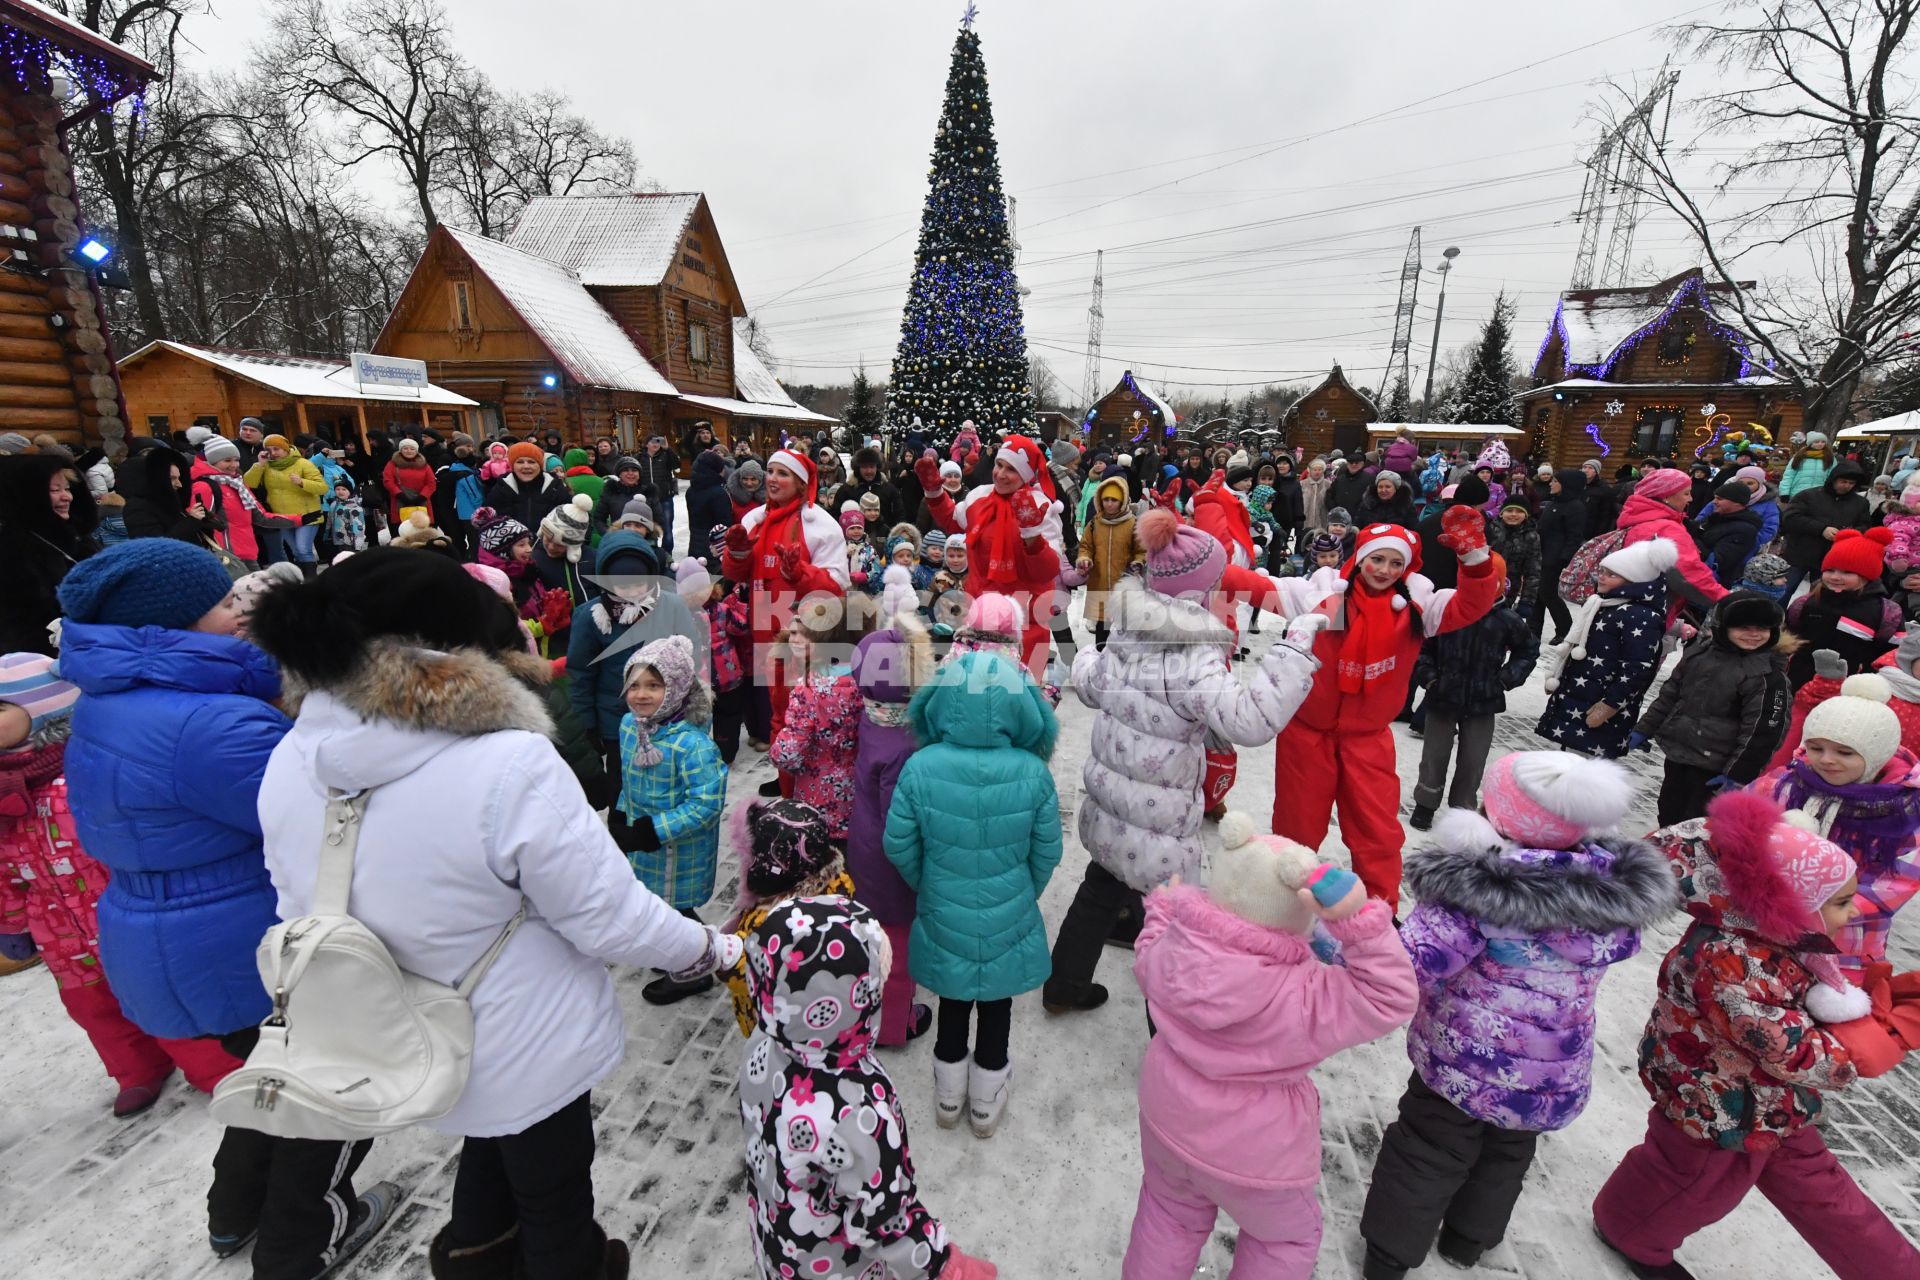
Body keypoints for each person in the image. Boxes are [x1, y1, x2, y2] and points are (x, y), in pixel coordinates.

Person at [247, 549, 736, 1280]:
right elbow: (608, 916)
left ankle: (475, 1259)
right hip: (523, 1039)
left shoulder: (292, 756)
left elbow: (294, 888)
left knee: (486, 1146)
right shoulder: (508, 763)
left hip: (404, 1030)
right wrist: (715, 950)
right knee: (553, 1194)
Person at [55, 539, 394, 1274]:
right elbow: (334, 815)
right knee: (325, 1094)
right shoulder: (209, 727)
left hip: (171, 936)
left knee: (272, 1079)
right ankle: (301, 1244)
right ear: (168, 626)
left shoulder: (117, 702)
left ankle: (235, 1212)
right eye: (222, 601)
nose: (241, 611)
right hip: (242, 945)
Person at [1362, 753, 1678, 1280]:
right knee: (1507, 1153)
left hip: (1462, 1065)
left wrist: (1361, 937)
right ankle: (1468, 1240)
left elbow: (1413, 962)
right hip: (1548, 1074)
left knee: (1427, 1150)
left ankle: (1390, 1254)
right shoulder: (1607, 893)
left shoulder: (1479, 892)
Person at [1592, 790, 1913, 1280]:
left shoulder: (1779, 941)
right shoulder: (1733, 964)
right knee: (1693, 1184)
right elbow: (1790, 1051)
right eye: (1843, 903)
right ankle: (1627, 1229)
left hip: (1767, 1102)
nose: (1853, 914)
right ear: (1795, 902)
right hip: (1718, 1106)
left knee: (1821, 1191)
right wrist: (1878, 1039)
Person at [1046, 514, 1324, 1013]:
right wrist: (1293, 648)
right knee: (1176, 925)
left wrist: (1088, 659)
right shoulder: (1193, 657)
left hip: (1112, 808)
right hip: (1160, 824)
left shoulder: (1129, 634)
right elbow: (1251, 720)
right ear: (1199, 592)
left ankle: (1063, 987)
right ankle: (1173, 1025)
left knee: (1098, 891)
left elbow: (1089, 679)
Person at [1123, 817, 1415, 1279]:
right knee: (1284, 1239)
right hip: (1257, 1152)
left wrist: (1164, 906)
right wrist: (1358, 925)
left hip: (1167, 1118)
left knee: (1168, 1215)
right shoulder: (1305, 993)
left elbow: (1148, 948)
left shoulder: (1174, 949)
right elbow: (1390, 996)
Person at [0, 652, 240, 1115]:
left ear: (44, 708)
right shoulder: (5, 793)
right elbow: (5, 870)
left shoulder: (83, 776)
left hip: (125, 918)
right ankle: (135, 1070)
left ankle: (214, 1069)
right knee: (95, 1010)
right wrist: (11, 923)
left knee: (162, 998)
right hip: (61, 935)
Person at [738, 896, 999, 1279]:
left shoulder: (761, 1045)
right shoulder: (858, 1110)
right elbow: (884, 1215)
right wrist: (944, 1265)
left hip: (779, 1237)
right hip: (839, 1264)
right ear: (857, 999)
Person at [1268, 512, 1500, 910]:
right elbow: (1255, 588)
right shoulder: (1330, 602)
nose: (1384, 570)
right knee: (1295, 826)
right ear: (1359, 558)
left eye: (1396, 563)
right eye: (1377, 559)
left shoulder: (1413, 608)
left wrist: (1474, 559)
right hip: (1307, 735)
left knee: (1376, 830)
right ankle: (1282, 900)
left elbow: (1473, 604)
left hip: (1368, 738)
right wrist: (1195, 564)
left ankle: (1380, 906)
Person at [884, 648, 1062, 1137]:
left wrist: (932, 883)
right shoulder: (1033, 773)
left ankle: (948, 1095)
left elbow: (898, 842)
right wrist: (1022, 892)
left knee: (953, 996)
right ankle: (986, 1098)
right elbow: (1047, 852)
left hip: (943, 903)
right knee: (997, 1001)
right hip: (1010, 911)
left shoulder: (921, 767)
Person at [1750, 673, 1920, 984]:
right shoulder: (1788, 782)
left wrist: (1820, 910)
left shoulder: (1902, 811)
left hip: (1845, 937)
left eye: (1844, 753)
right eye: (1816, 748)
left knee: (1822, 1004)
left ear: (1876, 756)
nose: (1827, 760)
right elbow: (1744, 822)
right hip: (1768, 920)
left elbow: (1895, 883)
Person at [720, 447, 852, 797]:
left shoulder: (820, 525)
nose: (773, 479)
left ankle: (807, 784)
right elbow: (737, 574)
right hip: (767, 628)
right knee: (779, 709)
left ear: (800, 482)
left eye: (783, 474)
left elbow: (836, 587)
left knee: (805, 710)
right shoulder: (755, 520)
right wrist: (735, 554)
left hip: (806, 636)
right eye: (771, 471)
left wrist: (800, 572)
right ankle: (786, 777)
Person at [609, 635, 727, 1007]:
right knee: (657, 904)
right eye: (634, 685)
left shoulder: (692, 745)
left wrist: (651, 830)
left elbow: (706, 804)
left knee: (677, 908)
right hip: (644, 842)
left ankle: (694, 970)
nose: (641, 695)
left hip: (681, 848)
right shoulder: (631, 726)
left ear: (675, 689)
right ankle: (678, 952)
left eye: (654, 686)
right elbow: (629, 777)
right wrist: (619, 812)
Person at [846, 612, 936, 1047]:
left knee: (874, 939)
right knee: (897, 954)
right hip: (891, 862)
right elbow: (900, 824)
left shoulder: (873, 717)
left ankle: (866, 1007)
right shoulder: (905, 744)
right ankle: (895, 1025)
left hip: (862, 847)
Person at [1632, 592, 1794, 825]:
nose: (1754, 635)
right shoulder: (1701, 653)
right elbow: (1671, 695)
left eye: (1762, 629)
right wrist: (1644, 729)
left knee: (1697, 821)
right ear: (1723, 627)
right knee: (1668, 810)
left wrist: (1739, 774)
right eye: (1743, 628)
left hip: (1717, 768)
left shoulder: (1766, 676)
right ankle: (1666, 850)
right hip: (1680, 753)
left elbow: (1764, 732)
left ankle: (1689, 857)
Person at [911, 435, 1066, 676]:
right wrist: (934, 492)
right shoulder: (978, 496)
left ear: (1026, 475)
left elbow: (1048, 571)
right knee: (975, 691)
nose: (1001, 474)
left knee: (1016, 697)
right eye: (999, 465)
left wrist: (1031, 535)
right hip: (980, 616)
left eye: (1011, 469)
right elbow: (953, 522)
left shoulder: (1040, 507)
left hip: (1024, 623)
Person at [1406, 578, 1538, 829]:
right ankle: (1425, 803)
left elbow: (1528, 650)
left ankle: (1463, 807)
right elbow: (1423, 644)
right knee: (1435, 754)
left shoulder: (1507, 619)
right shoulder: (1446, 610)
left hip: (1483, 700)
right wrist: (1429, 677)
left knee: (1473, 759)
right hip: (1442, 695)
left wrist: (1505, 680)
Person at [717, 799, 854, 1037]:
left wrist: (722, 949)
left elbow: (741, 978)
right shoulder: (838, 883)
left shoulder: (767, 922)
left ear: (768, 866)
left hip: (771, 1024)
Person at [1536, 537, 1677, 759]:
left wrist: (1610, 705)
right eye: (1602, 571)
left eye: (1612, 575)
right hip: (1579, 697)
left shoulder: (1641, 616)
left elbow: (1638, 668)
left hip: (1602, 707)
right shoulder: (1604, 604)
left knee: (1585, 769)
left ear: (1634, 581)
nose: (1601, 577)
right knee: (1566, 761)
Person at [769, 597, 863, 837]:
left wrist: (778, 748)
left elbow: (788, 753)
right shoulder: (858, 677)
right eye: (793, 633)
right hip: (852, 788)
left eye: (806, 634)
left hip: (816, 789)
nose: (797, 640)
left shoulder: (809, 687)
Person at [0, 453, 99, 653]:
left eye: (68, 488)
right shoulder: (13, 551)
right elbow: (23, 625)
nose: (67, 496)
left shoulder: (77, 537)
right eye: (55, 490)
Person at [1784, 526, 1901, 688]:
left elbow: (1893, 655)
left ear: (1867, 575)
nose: (1835, 577)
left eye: (1847, 572)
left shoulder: (1884, 613)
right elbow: (1789, 637)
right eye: (1830, 570)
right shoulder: (1807, 603)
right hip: (1798, 682)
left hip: (1850, 690)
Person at [1780, 458, 1872, 601]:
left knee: (1820, 598)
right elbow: (1790, 518)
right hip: (1799, 553)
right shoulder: (1809, 496)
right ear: (1834, 480)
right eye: (1843, 481)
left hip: (1832, 559)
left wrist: (1849, 534)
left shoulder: (1860, 503)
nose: (1846, 486)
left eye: (1851, 483)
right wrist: (1821, 529)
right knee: (1784, 591)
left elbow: (1865, 526)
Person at [1073, 474, 1143, 652]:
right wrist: (1085, 558)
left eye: (1114, 500)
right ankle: (1100, 657)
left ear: (1122, 501)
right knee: (1102, 626)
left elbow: (1141, 550)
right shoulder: (1095, 524)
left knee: (1122, 625)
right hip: (1100, 581)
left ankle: (1121, 659)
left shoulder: (1132, 524)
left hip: (1124, 583)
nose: (1109, 504)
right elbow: (1086, 546)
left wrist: (1138, 563)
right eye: (1106, 500)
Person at [1532, 467, 1589, 640]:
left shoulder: (1575, 507)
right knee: (1538, 594)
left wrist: (1564, 559)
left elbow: (1574, 536)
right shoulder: (1555, 503)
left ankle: (1565, 629)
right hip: (1542, 554)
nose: (1551, 483)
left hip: (1555, 558)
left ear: (1567, 485)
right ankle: (1533, 630)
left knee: (1547, 593)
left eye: (1556, 481)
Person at [486, 442, 571, 532]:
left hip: (548, 544)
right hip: (512, 545)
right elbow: (490, 524)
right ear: (512, 466)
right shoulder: (501, 488)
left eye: (531, 462)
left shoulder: (555, 487)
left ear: (540, 465)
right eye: (520, 462)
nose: (526, 466)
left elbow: (570, 522)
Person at [1695, 480, 1763, 586]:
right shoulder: (1718, 517)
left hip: (1711, 583)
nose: (1714, 502)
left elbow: (1718, 561)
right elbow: (1695, 527)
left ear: (1737, 502)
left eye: (1719, 499)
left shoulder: (1745, 530)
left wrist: (1688, 539)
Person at [379, 435, 437, 531]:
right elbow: (388, 481)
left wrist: (422, 496)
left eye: (412, 449)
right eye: (405, 448)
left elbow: (431, 483)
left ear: (416, 451)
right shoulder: (392, 464)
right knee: (404, 529)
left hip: (421, 501)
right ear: (400, 450)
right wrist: (399, 494)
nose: (408, 451)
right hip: (400, 501)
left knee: (422, 530)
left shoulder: (424, 465)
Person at [684, 450, 732, 565]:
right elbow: (724, 524)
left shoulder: (691, 490)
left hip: (695, 544)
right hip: (715, 548)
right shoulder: (718, 493)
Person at [1299, 457, 1330, 531]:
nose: (1317, 472)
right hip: (1305, 521)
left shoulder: (1328, 484)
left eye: (1320, 470)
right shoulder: (1302, 484)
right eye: (1315, 470)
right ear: (1310, 471)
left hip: (1322, 521)